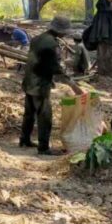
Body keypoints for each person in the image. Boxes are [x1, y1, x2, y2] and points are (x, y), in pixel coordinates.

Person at [20, 16, 82, 156]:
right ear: (60, 31)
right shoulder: (52, 45)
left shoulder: (37, 38)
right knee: (45, 116)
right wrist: (72, 84)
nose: (65, 34)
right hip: (39, 83)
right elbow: (55, 68)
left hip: (28, 79)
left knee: (29, 113)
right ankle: (43, 148)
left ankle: (24, 140)